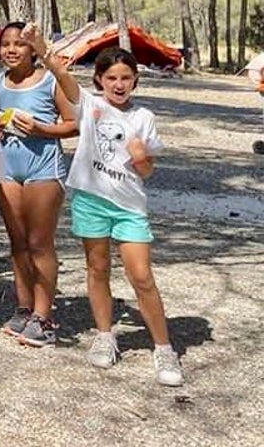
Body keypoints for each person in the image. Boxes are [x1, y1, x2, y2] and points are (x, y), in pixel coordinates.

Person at [21, 29, 183, 385]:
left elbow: (147, 172)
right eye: (111, 77)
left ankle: (164, 349)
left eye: (126, 78)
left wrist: (141, 159)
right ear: (99, 80)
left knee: (141, 276)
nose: (119, 84)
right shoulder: (90, 105)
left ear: (136, 80)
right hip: (91, 202)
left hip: (129, 208)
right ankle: (105, 335)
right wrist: (41, 51)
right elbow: (63, 76)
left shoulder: (144, 117)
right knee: (97, 269)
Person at [0, 21, 76, 347]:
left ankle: (44, 317)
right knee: (17, 242)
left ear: (32, 50)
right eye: (6, 44)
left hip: (43, 170)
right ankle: (24, 308)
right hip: (7, 169)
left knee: (40, 243)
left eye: (19, 44)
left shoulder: (49, 81)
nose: (12, 50)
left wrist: (40, 129)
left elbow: (74, 124)